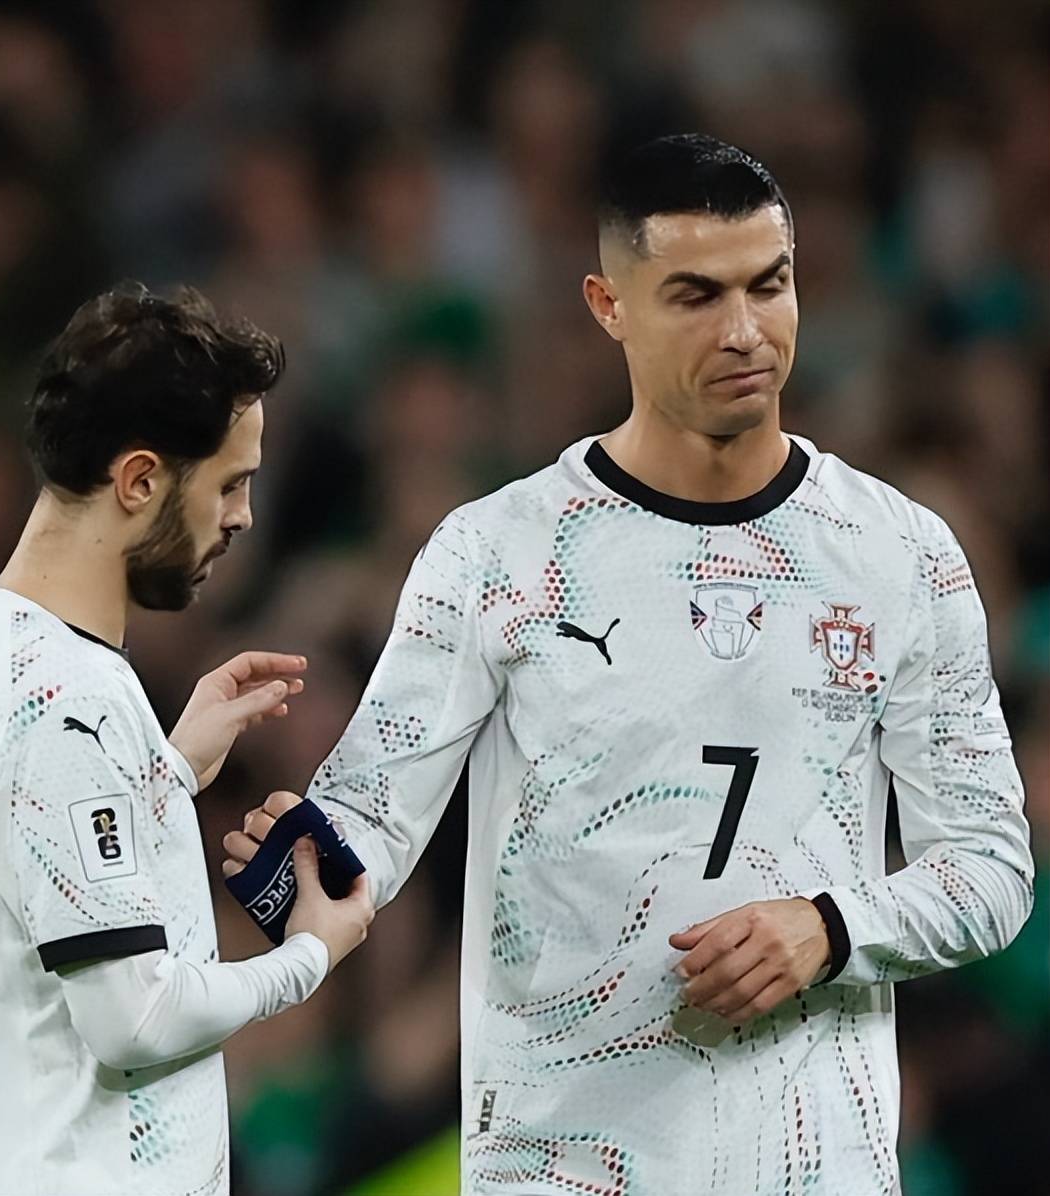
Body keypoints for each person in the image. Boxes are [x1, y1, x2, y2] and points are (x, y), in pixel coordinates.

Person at [225, 136, 1034, 1195]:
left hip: (809, 1165)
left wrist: (832, 927)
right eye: (695, 295)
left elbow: (989, 867)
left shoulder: (900, 554)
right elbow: (365, 825)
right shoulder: (497, 554)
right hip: (564, 1167)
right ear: (608, 305)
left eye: (768, 284)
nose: (744, 330)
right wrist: (285, 876)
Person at [0, 284, 373, 1196]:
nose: (243, 516)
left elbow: (14, 884)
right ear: (141, 480)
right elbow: (134, 1017)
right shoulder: (68, 702)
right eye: (230, 482)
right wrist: (306, 957)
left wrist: (157, 775)